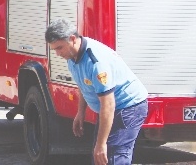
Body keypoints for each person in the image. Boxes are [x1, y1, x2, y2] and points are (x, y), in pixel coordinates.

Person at [45, 19, 148, 165]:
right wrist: (80, 112)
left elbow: (108, 105)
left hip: (128, 108)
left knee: (112, 158)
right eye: (54, 49)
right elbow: (84, 85)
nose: (57, 53)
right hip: (112, 108)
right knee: (99, 159)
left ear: (73, 39)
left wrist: (101, 144)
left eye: (59, 48)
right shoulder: (72, 56)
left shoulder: (96, 62)